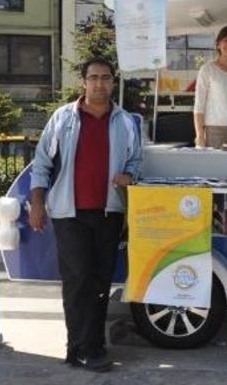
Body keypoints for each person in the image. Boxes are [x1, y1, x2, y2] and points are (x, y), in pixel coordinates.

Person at [29, 58, 142, 373]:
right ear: (83, 82)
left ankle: (93, 345)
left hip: (109, 212)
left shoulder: (125, 122)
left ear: (113, 82)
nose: (99, 84)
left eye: (105, 78)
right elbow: (41, 164)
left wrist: (129, 176)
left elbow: (135, 160)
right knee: (78, 280)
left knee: (100, 280)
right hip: (69, 213)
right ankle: (80, 348)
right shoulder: (63, 118)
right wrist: (37, 204)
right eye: (93, 78)